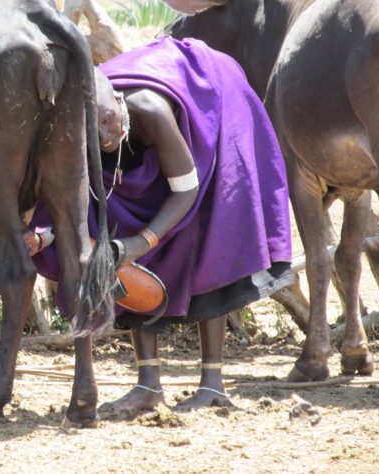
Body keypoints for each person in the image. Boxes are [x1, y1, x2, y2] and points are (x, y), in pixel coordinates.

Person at [26, 36, 293, 413]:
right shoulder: (80, 125)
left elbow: (185, 191)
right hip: (165, 152)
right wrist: (46, 235)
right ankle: (148, 386)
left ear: (117, 102)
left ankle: (213, 385)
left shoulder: (148, 109)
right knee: (119, 237)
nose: (104, 136)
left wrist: (143, 241)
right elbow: (74, 201)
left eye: (107, 121)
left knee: (212, 238)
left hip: (214, 109)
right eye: (94, 129)